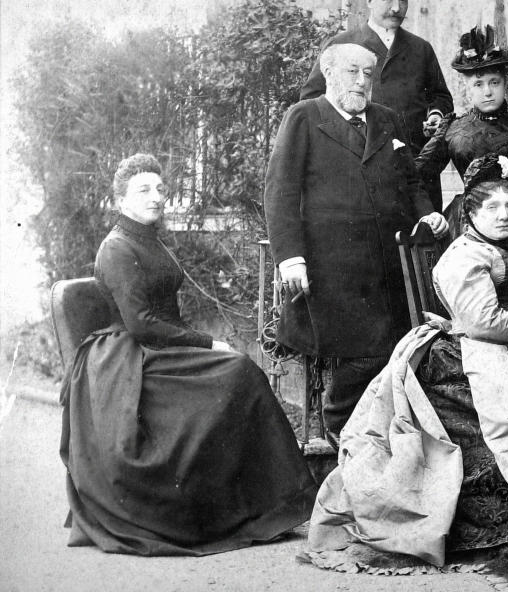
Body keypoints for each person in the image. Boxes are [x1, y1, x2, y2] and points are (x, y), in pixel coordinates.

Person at [307, 154, 508, 569]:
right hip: (474, 350)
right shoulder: (465, 255)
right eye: (491, 207)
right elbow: (483, 322)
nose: (504, 215)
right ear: (470, 215)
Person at [58, 154, 317, 556]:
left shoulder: (148, 239)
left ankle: (264, 505)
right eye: (143, 190)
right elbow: (142, 323)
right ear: (121, 201)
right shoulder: (117, 249)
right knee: (237, 371)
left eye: (160, 188)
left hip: (159, 347)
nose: (157, 196)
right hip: (132, 358)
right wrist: (207, 343)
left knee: (238, 373)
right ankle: (240, 508)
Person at [264, 42, 448, 447]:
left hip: (383, 266)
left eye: (369, 74)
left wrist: (425, 213)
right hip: (331, 267)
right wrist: (290, 258)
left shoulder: (387, 119)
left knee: (400, 344)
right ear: (328, 74)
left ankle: (371, 431)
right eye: (352, 72)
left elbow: (411, 180)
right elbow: (280, 191)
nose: (362, 81)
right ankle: (339, 423)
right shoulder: (304, 117)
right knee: (365, 350)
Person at [300, 0, 453, 174]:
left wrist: (435, 114)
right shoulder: (341, 44)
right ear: (370, 0)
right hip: (359, 165)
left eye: (403, 0)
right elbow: (312, 100)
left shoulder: (421, 48)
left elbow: (440, 96)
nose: (397, 8)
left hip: (414, 164)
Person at [415, 24, 508, 246]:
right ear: (466, 89)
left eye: (494, 82)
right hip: (466, 224)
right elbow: (418, 175)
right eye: (478, 84)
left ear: (506, 83)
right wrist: (429, 213)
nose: (488, 91)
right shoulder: (453, 129)